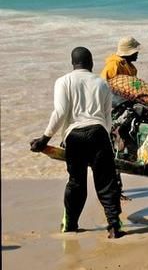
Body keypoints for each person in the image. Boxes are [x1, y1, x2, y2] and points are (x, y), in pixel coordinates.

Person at [30, 47, 125, 238]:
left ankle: (71, 224)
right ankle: (114, 225)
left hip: (74, 137)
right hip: (99, 133)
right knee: (106, 182)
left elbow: (60, 112)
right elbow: (108, 119)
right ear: (91, 63)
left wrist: (44, 139)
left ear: (73, 63)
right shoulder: (101, 83)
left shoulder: (63, 81)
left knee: (76, 182)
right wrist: (106, 142)